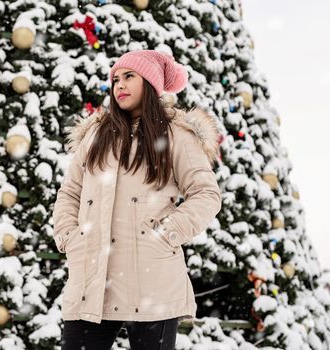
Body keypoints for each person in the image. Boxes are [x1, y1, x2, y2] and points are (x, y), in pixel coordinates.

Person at [52, 50, 223, 350]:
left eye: (129, 76)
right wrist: (69, 236)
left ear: (151, 83)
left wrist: (166, 233)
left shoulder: (175, 135)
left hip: (152, 281)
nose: (119, 85)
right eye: (115, 79)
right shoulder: (95, 136)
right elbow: (69, 193)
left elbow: (206, 193)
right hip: (92, 280)